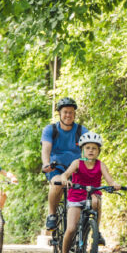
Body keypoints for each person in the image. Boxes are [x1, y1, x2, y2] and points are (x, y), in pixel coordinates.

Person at [53, 131, 120, 253]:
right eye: (88, 148)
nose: (91, 151)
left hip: (92, 194)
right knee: (71, 228)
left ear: (98, 151)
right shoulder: (77, 163)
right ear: (83, 150)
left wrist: (114, 184)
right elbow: (66, 174)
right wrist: (64, 179)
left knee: (97, 201)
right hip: (76, 196)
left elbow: (109, 179)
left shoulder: (101, 165)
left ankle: (96, 230)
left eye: (94, 148)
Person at [41, 97, 88, 230]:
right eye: (65, 112)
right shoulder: (50, 130)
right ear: (60, 114)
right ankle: (52, 214)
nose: (68, 115)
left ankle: (89, 225)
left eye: (71, 112)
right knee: (57, 184)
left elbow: (90, 148)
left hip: (76, 168)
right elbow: (46, 148)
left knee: (89, 190)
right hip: (56, 167)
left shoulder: (81, 130)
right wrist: (46, 164)